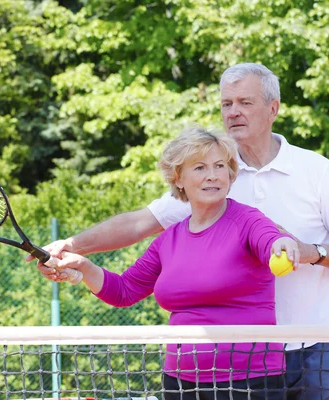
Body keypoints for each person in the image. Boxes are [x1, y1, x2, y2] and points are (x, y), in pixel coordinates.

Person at [29, 63, 329, 399]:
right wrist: (73, 247)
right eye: (227, 103)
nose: (233, 112)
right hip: (197, 371)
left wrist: (305, 250)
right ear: (183, 178)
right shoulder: (204, 183)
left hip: (310, 347)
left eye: (245, 102)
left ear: (273, 108)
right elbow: (136, 225)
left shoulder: (313, 170)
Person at [48, 126, 312, 400]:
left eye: (220, 166)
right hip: (180, 384)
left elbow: (269, 239)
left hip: (250, 385)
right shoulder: (169, 239)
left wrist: (282, 244)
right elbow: (124, 290)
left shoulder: (248, 220)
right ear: (179, 178)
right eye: (200, 167)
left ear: (230, 173)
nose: (212, 176)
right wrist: (83, 266)